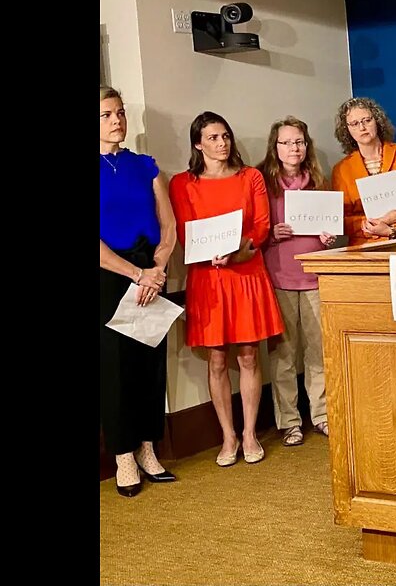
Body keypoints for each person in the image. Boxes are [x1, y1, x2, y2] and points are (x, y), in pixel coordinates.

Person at [169, 112, 285, 467]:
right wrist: (211, 254)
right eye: (214, 138)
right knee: (217, 359)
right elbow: (185, 232)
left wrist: (239, 251)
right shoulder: (182, 183)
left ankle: (250, 434)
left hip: (245, 272)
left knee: (249, 355)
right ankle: (228, 436)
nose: (222, 143)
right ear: (198, 144)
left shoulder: (250, 177)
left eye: (225, 136)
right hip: (208, 277)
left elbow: (262, 226)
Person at [99, 86, 178, 496]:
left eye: (120, 113)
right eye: (107, 115)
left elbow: (168, 225)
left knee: (150, 360)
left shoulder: (146, 165)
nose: (117, 121)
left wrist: (158, 267)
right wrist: (136, 274)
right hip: (110, 273)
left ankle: (149, 448)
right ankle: (123, 455)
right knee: (115, 369)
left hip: (151, 267)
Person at [258, 116, 337, 447]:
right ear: (275, 148)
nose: (294, 148)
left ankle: (320, 414)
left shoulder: (318, 180)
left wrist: (331, 237)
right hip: (280, 278)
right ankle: (289, 420)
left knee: (319, 351)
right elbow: (252, 230)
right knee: (285, 355)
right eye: (287, 142)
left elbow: (334, 228)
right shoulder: (263, 182)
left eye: (299, 142)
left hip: (316, 277)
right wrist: (270, 234)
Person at [330, 97, 396, 246]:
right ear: (347, 129)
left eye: (367, 120)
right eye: (354, 124)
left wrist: (394, 230)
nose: (362, 127)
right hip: (365, 247)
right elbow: (342, 219)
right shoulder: (341, 169)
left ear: (377, 120)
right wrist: (384, 222)